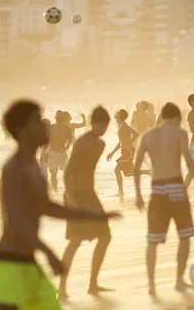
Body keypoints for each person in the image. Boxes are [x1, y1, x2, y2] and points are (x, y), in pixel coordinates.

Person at [0, 100, 119, 310]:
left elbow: (48, 207)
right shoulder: (13, 170)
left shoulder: (34, 167)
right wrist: (48, 252)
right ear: (21, 130)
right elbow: (17, 221)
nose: (46, 126)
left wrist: (95, 215)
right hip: (7, 265)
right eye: (38, 121)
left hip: (29, 264)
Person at [133, 102, 194, 295]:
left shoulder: (147, 136)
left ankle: (151, 284)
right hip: (176, 187)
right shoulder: (179, 133)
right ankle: (179, 281)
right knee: (185, 235)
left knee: (152, 239)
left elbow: (137, 166)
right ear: (175, 118)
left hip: (157, 189)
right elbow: (189, 162)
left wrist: (138, 194)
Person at [59, 106, 117, 299]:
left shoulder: (100, 144)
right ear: (93, 123)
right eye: (101, 124)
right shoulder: (82, 143)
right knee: (75, 241)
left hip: (89, 195)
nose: (103, 128)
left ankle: (93, 284)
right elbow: (68, 174)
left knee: (105, 236)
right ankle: (61, 289)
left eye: (106, 125)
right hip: (75, 195)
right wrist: (72, 201)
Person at [106, 109, 149, 200]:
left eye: (117, 113)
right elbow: (121, 142)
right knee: (128, 173)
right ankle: (148, 171)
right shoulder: (119, 126)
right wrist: (112, 153)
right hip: (124, 150)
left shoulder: (124, 125)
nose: (116, 113)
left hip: (128, 151)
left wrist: (129, 143)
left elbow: (136, 133)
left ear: (120, 116)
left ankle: (121, 192)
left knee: (117, 170)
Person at [48, 111, 73, 193]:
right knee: (56, 174)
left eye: (59, 117)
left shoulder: (66, 128)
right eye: (58, 117)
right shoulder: (51, 127)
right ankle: (57, 192)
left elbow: (70, 140)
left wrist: (66, 148)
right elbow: (44, 139)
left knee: (64, 173)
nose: (58, 118)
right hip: (56, 153)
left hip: (60, 153)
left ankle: (64, 191)